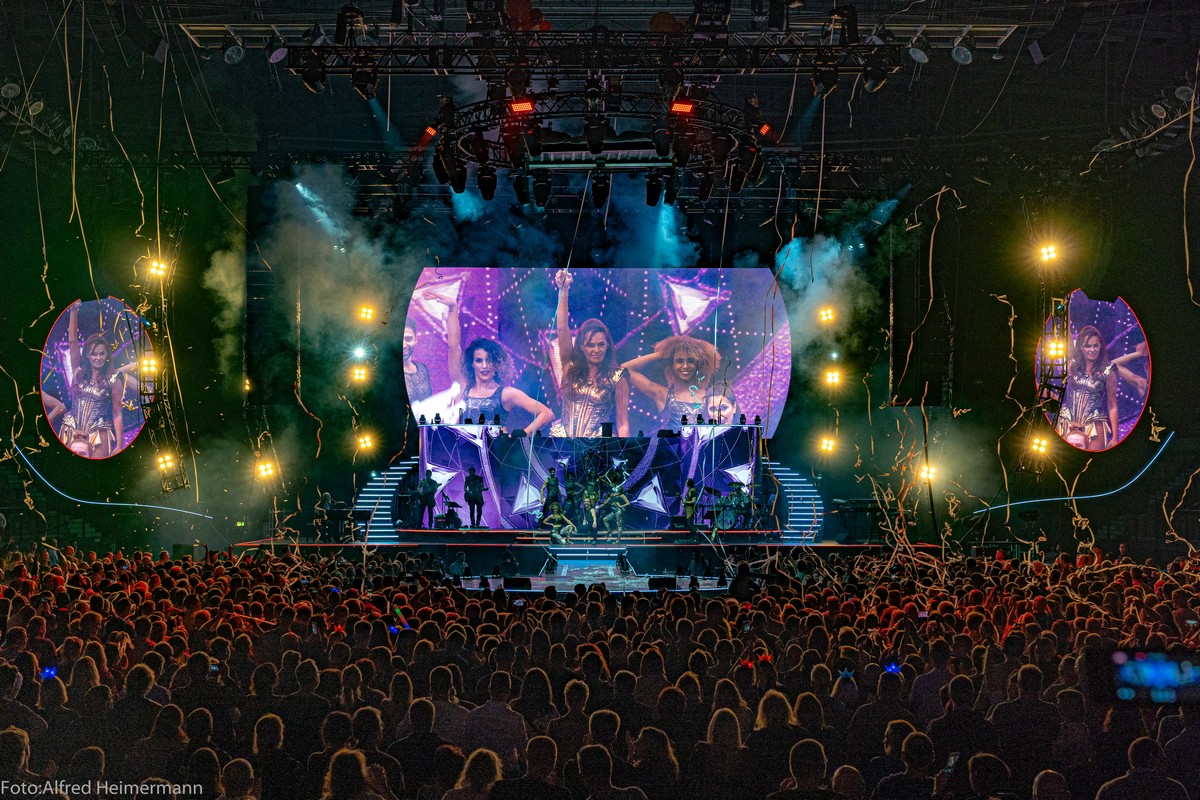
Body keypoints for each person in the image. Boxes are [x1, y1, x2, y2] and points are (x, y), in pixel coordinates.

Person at [441, 294, 552, 436]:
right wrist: (452, 309)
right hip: (465, 449)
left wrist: (522, 434)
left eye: (490, 360)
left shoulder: (506, 393)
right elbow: (453, 346)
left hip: (497, 449)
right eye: (479, 360)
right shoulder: (462, 387)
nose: (484, 366)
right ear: (472, 364)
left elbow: (546, 413)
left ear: (497, 363)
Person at [551, 270, 630, 437]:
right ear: (582, 347)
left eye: (601, 344)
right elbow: (562, 328)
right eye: (590, 345)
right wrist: (563, 290)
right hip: (563, 442)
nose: (596, 350)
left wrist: (624, 449)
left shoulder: (617, 377)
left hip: (598, 444)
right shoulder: (569, 367)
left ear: (608, 346)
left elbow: (622, 421)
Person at [57, 301, 128, 458]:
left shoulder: (114, 378)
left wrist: (119, 445)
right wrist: (74, 311)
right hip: (72, 427)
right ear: (87, 356)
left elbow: (117, 413)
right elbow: (73, 342)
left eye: (102, 354)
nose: (98, 358)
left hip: (99, 430)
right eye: (94, 354)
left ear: (107, 356)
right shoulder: (78, 372)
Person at [621, 335, 720, 427]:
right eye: (679, 361)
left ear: (698, 364)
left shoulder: (710, 395)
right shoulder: (662, 394)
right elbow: (624, 368)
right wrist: (662, 354)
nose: (685, 366)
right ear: (672, 365)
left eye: (690, 361)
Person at [1057, 324, 1119, 451]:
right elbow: (1066, 336)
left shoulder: (1108, 371)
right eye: (1088, 346)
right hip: (1068, 420)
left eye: (1095, 345)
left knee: (1091, 459)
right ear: (1081, 347)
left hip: (1094, 423)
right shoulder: (1072, 366)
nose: (1092, 350)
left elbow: (1112, 405)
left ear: (1101, 346)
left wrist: (1115, 437)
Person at [1095, 737, 1188, 800]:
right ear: (1152, 758)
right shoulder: (1173, 788)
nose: (1164, 762)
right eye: (1162, 757)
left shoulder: (1108, 789)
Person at [403, 322, 434, 403]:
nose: (404, 345)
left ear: (416, 339)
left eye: (408, 339)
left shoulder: (422, 368)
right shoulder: (388, 373)